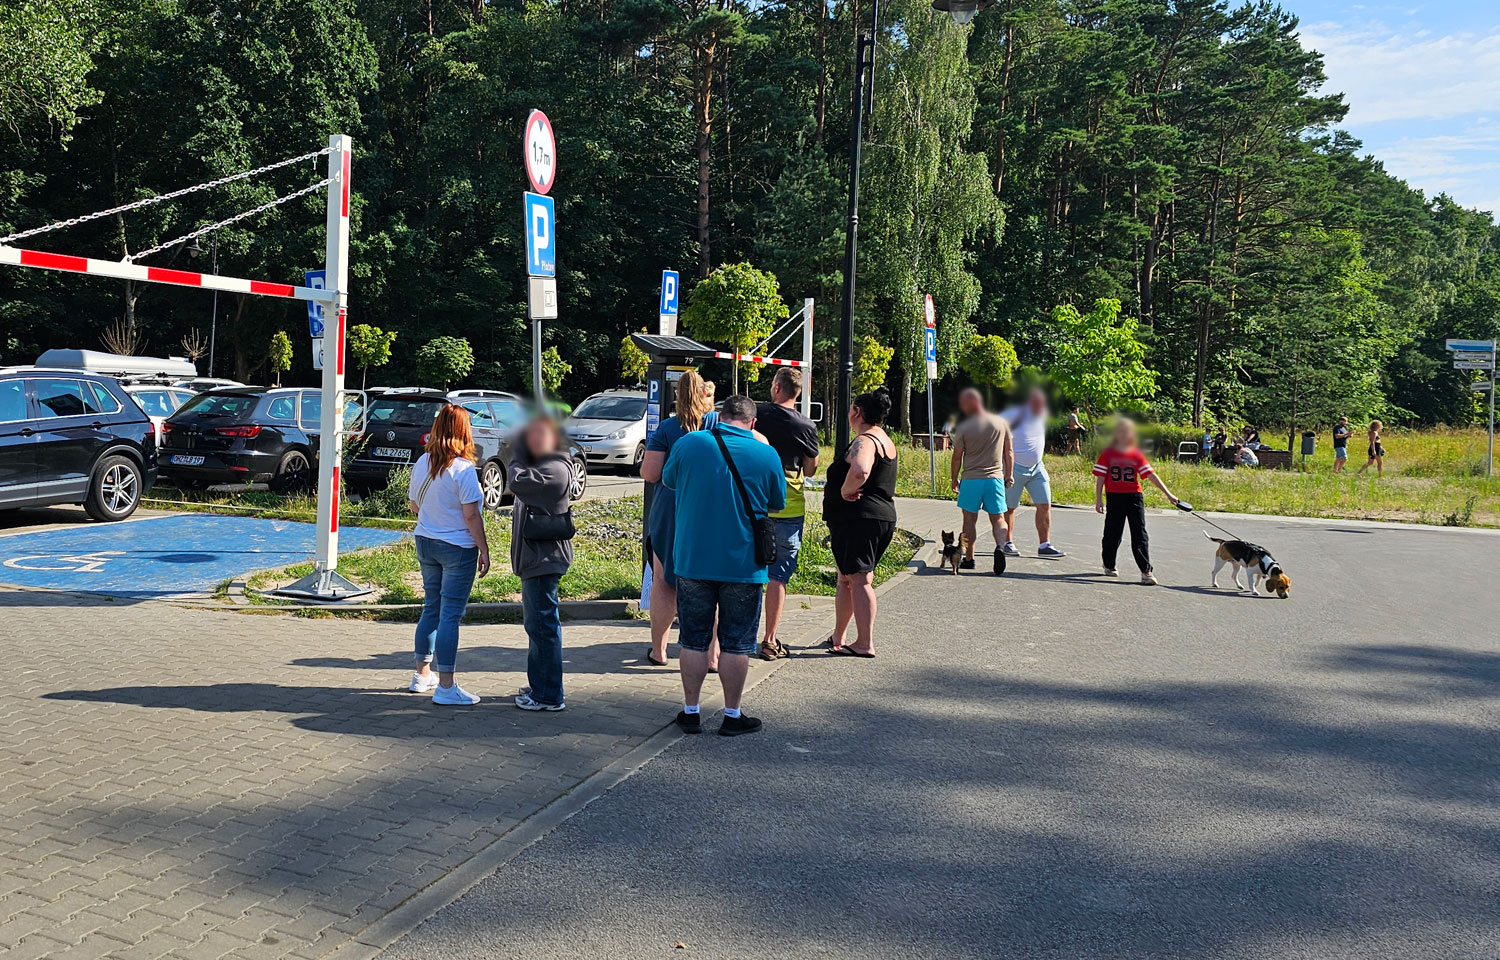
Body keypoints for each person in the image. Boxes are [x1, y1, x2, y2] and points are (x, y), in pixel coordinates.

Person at [662, 395, 784, 736]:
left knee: (693, 640)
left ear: (719, 416)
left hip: (692, 560)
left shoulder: (689, 444)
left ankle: (690, 712)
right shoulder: (766, 453)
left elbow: (669, 480)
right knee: (737, 643)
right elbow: (776, 502)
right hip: (744, 565)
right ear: (753, 423)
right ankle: (732, 715)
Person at [406, 405, 490, 705]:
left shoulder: (422, 462)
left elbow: (414, 505)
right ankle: (446, 686)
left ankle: (421, 675)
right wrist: (484, 547)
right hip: (457, 547)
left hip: (425, 540)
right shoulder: (464, 469)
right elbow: (471, 516)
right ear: (464, 432)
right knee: (450, 616)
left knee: (431, 608)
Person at [640, 369, 718, 667]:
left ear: (676, 395)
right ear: (705, 394)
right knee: (713, 582)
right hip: (710, 509)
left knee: (663, 580)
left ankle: (659, 651)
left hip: (670, 510)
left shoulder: (667, 429)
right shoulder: (717, 425)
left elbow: (650, 474)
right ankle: (712, 656)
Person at [824, 388, 899, 658]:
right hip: (875, 517)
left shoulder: (865, 441)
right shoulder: (885, 440)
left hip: (860, 518)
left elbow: (861, 469)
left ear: (856, 412)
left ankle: (864, 642)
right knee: (847, 578)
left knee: (860, 580)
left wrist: (844, 490)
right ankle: (839, 636)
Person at [508, 416, 575, 712]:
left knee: (543, 626)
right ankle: (541, 684)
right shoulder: (547, 464)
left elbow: (515, 480)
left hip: (544, 560)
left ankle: (548, 695)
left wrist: (519, 454)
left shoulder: (555, 469)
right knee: (537, 626)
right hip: (538, 558)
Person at [755, 368, 819, 661]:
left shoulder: (758, 414)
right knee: (778, 576)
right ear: (798, 393)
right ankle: (769, 641)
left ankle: (738, 637)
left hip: (755, 504)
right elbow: (811, 469)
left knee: (748, 573)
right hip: (789, 506)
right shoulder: (806, 426)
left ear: (777, 388)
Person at [1093, 417, 1180, 586]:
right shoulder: (1108, 454)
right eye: (1122, 431)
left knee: (1139, 534)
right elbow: (1101, 478)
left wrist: (1169, 494)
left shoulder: (1136, 454)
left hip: (1134, 497)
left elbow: (1151, 475)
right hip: (1114, 497)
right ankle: (1109, 565)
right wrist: (1098, 499)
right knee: (1112, 534)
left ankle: (1146, 571)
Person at [949, 387, 1013, 575]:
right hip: (995, 478)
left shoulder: (965, 426)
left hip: (971, 479)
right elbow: (1008, 452)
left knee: (969, 520)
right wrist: (1009, 474)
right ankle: (1000, 546)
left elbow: (956, 456)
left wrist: (954, 478)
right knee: (999, 518)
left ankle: (969, 559)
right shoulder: (1001, 423)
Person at [1001, 387, 1065, 559]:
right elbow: (999, 439)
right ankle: (1007, 542)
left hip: (1037, 468)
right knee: (1010, 508)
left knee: (1044, 504)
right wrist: (1005, 468)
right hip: (1014, 468)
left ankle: (1044, 544)